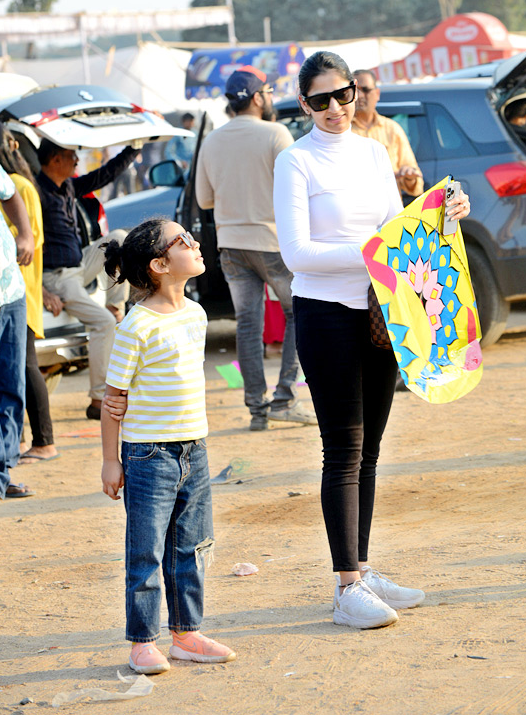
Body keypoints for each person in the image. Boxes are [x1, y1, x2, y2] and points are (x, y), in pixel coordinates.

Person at [273, 51, 470, 629]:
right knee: (344, 448)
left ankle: (360, 565)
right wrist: (370, 256)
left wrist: (444, 215)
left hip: (383, 313)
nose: (335, 108)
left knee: (372, 450)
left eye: (344, 94)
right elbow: (297, 254)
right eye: (320, 99)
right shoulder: (295, 161)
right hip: (325, 314)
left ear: (357, 94)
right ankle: (346, 588)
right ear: (303, 104)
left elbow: (398, 229)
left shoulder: (374, 151)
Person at [100, 217, 236, 675]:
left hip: (193, 452)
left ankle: (186, 633)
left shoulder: (196, 314)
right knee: (146, 552)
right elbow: (113, 401)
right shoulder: (135, 327)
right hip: (147, 456)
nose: (195, 243)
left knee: (191, 546)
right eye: (183, 241)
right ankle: (142, 641)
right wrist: (109, 461)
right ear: (159, 264)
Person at [196, 66, 314, 431]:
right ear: (259, 97)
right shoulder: (275, 133)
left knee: (248, 325)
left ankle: (256, 409)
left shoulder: (212, 141)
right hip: (272, 243)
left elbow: (203, 199)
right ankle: (283, 399)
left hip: (231, 245)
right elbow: (299, 189)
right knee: (298, 314)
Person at [37, 138, 139, 420]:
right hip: (57, 277)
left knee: (118, 239)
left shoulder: (67, 186)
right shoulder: (36, 193)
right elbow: (26, 246)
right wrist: (41, 289)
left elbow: (103, 175)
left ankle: (115, 307)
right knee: (102, 324)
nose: (77, 161)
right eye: (71, 156)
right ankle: (98, 400)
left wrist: (134, 149)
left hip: (79, 264)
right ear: (55, 160)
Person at [0, 124, 59, 463]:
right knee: (19, 370)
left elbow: (30, 241)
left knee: (22, 370)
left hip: (17, 287)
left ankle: (40, 443)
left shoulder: (19, 186)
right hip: (23, 286)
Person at [0, 157, 35, 500]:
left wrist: (25, 234)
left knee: (11, 384)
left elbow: (9, 193)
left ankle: (2, 469)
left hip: (9, 289)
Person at [351, 69, 424, 199]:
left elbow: (417, 186)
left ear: (377, 93)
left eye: (365, 90)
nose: (360, 96)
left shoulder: (392, 129)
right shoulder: (342, 131)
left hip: (391, 214)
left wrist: (409, 177)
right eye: (355, 91)